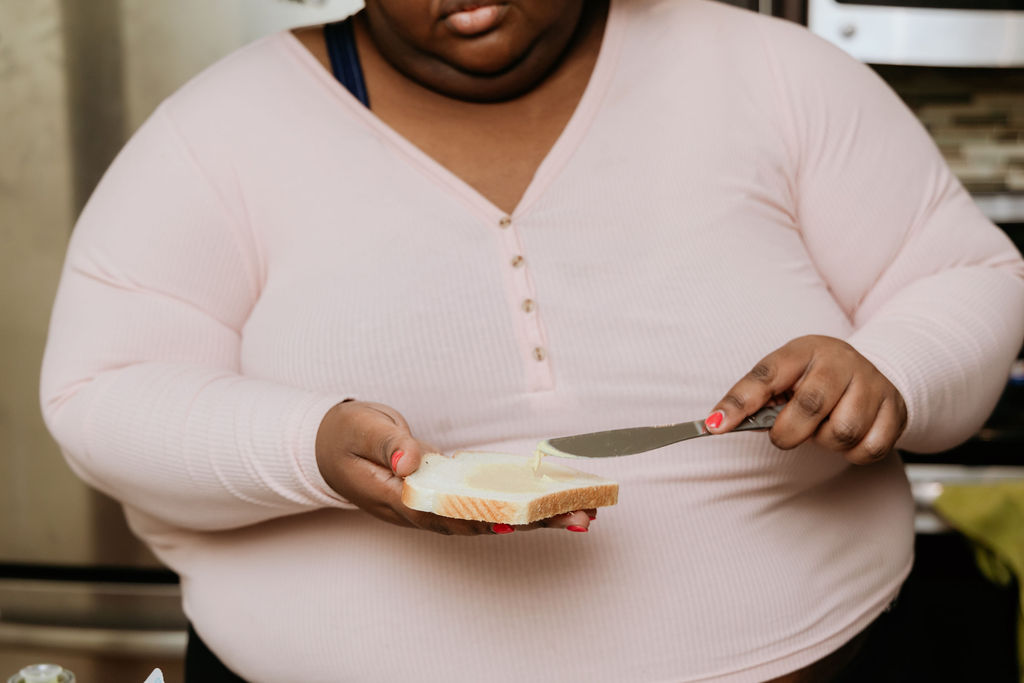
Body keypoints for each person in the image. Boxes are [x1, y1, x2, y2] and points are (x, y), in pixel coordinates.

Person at [39, 0, 1024, 680]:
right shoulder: (215, 135)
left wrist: (888, 367)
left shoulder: (774, 73)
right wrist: (309, 447)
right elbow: (103, 394)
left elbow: (962, 275)